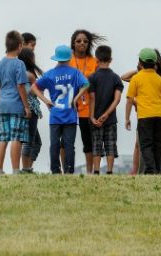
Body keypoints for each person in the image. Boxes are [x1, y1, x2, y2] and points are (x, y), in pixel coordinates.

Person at [30, 45, 89, 174]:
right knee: (69, 146)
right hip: (71, 115)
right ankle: (69, 170)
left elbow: (34, 88)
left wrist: (46, 101)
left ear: (56, 58)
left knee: (55, 145)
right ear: (69, 58)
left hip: (55, 115)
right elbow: (86, 84)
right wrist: (76, 98)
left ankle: (55, 170)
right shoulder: (75, 73)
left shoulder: (50, 74)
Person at [125, 48, 161, 174]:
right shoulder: (160, 79)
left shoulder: (136, 78)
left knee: (145, 145)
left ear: (140, 63)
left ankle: (150, 170)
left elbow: (129, 99)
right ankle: (156, 170)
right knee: (157, 145)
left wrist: (127, 118)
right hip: (159, 116)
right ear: (155, 64)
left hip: (145, 117)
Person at [67, 29, 105, 174]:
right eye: (78, 41)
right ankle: (66, 170)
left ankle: (91, 171)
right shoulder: (67, 61)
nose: (82, 43)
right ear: (73, 43)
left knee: (88, 141)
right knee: (66, 140)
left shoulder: (94, 62)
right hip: (69, 106)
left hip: (88, 107)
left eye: (85, 41)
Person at [0, 30, 31, 174]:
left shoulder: (0, 64)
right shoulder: (19, 64)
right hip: (16, 105)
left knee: (3, 137)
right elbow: (21, 86)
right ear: (20, 46)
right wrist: (26, 107)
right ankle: (16, 170)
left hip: (3, 105)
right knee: (16, 137)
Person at [88, 45, 124, 174]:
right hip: (110, 119)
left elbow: (92, 98)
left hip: (95, 118)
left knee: (97, 145)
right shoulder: (115, 78)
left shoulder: (92, 77)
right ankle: (109, 171)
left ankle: (96, 171)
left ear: (96, 59)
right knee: (110, 145)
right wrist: (107, 114)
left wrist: (92, 117)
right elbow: (117, 99)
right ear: (111, 59)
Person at [18, 48, 43, 173]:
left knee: (36, 142)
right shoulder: (30, 75)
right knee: (29, 141)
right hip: (30, 110)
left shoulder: (21, 73)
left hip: (27, 109)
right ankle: (25, 168)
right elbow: (36, 92)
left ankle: (28, 167)